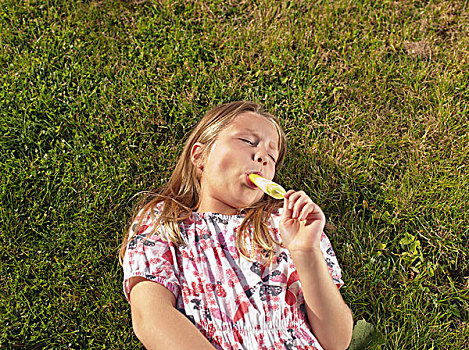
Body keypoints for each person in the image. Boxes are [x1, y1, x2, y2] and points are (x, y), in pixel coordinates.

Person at [119, 101, 353, 349]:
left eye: (272, 156)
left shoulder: (287, 227)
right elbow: (151, 317)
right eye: (248, 142)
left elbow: (336, 340)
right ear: (200, 155)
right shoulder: (165, 220)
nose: (263, 157)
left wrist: (306, 252)